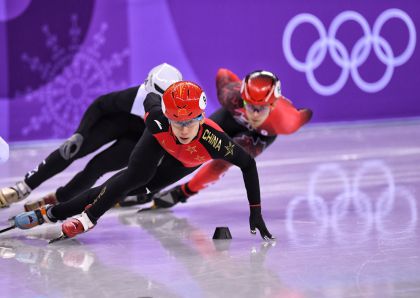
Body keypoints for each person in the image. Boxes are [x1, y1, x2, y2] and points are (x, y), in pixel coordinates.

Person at [13, 81, 274, 241]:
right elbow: (149, 95)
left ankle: (52, 213)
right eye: (177, 121)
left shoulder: (215, 140)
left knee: (141, 189)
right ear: (167, 116)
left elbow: (248, 165)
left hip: (184, 161)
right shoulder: (157, 119)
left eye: (190, 122)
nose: (183, 129)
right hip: (157, 140)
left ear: (201, 118)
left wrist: (256, 211)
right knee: (130, 178)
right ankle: (87, 218)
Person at [0, 63, 182, 211]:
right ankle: (22, 188)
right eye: (159, 95)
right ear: (147, 86)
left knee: (97, 167)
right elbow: (100, 105)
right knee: (73, 149)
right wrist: (80, 133)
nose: (162, 101)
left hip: (139, 137)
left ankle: (58, 199)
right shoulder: (134, 96)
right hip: (118, 121)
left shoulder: (178, 109)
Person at [125, 68, 312, 209]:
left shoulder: (287, 122)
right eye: (249, 104)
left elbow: (306, 114)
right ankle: (149, 187)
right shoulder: (230, 95)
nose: (253, 114)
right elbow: (223, 73)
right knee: (188, 144)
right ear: (242, 97)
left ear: (273, 106)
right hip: (231, 117)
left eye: (261, 108)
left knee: (222, 161)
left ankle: (181, 193)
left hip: (259, 135)